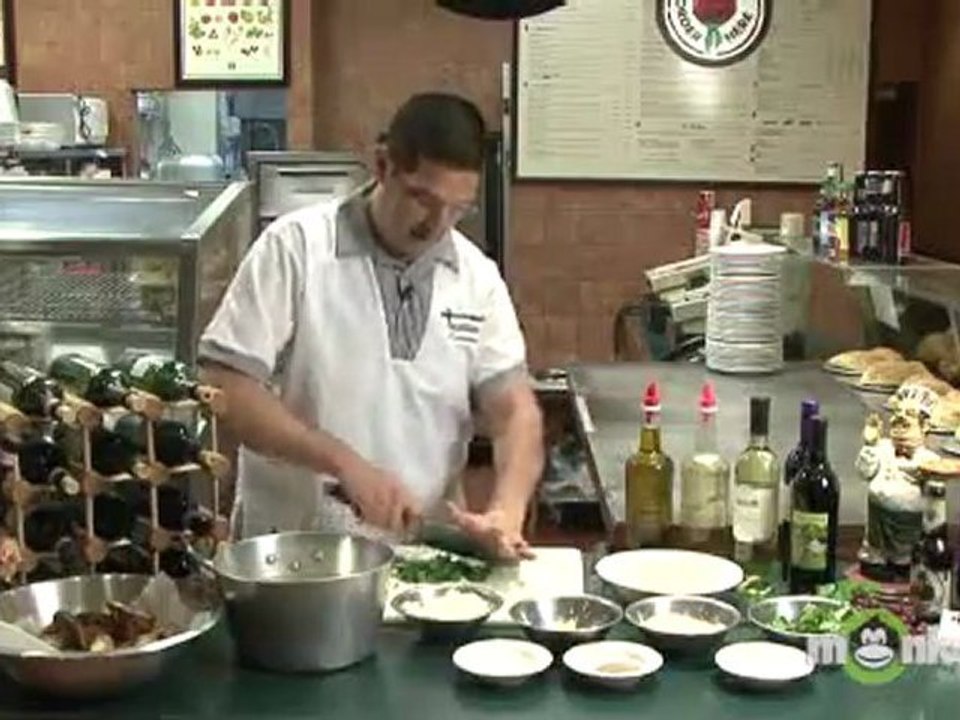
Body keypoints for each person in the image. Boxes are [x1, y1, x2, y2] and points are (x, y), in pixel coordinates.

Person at [198, 92, 544, 560]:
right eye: (423, 199)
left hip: (423, 554)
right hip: (296, 553)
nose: (436, 224)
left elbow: (514, 412)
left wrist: (507, 508)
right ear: (383, 166)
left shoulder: (476, 277)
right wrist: (343, 463)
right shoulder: (296, 248)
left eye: (457, 208)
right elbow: (227, 388)